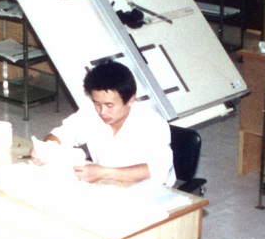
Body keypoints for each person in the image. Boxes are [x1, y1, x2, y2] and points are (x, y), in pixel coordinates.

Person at [30, 60, 176, 186]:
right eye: (97, 103)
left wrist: (104, 173)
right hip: (109, 185)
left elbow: (156, 170)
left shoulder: (152, 124)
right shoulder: (90, 113)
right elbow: (62, 133)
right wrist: (44, 149)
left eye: (109, 105)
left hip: (151, 192)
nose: (102, 111)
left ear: (131, 100)